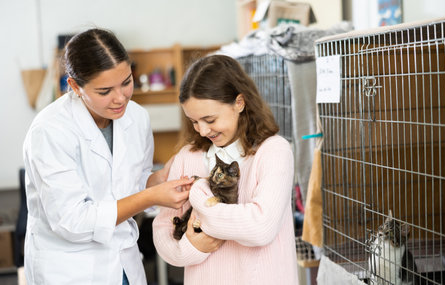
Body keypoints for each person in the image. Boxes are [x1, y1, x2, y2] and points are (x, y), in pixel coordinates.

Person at [22, 28, 193, 285]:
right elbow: (72, 221)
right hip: (71, 268)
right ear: (75, 86)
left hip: (123, 259)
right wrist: (150, 196)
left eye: (126, 82)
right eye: (104, 91)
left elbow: (131, 185)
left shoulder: (136, 118)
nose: (120, 98)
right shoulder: (50, 131)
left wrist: (160, 178)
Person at [153, 55, 298, 284]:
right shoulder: (187, 157)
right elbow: (162, 227)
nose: (202, 130)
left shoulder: (273, 151)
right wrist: (190, 249)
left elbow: (261, 227)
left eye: (209, 119)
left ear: (239, 103)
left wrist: (200, 193)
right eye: (193, 121)